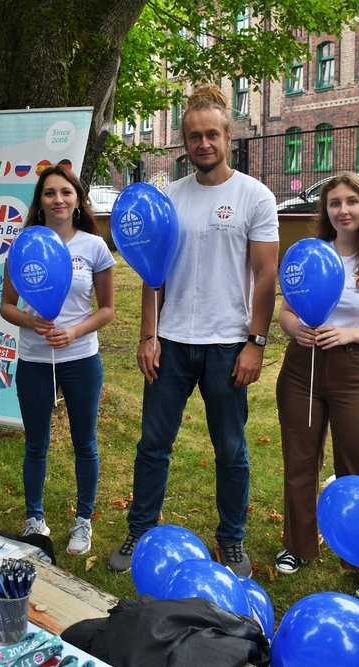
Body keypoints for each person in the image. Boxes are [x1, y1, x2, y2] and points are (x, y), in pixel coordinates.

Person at [108, 84, 279, 577]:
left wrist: (256, 342)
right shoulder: (168, 199)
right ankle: (140, 529)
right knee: (152, 445)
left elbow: (266, 276)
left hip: (229, 346)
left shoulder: (255, 196)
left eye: (212, 135)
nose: (203, 143)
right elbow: (151, 270)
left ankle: (231, 541)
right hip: (172, 344)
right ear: (183, 142)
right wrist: (147, 334)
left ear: (228, 136)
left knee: (231, 451)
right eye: (193, 136)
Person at [274, 172, 359, 575]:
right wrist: (293, 328)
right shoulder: (312, 255)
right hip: (303, 370)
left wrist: (348, 333)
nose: (343, 209)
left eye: (351, 201)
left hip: (358, 373)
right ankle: (297, 545)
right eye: (334, 202)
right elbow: (287, 309)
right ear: (325, 210)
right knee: (300, 462)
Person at [0, 165, 116, 555]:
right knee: (36, 444)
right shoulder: (23, 246)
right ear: (41, 202)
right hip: (34, 359)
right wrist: (32, 322)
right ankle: (35, 518)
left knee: (85, 444)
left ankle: (83, 521)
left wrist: (75, 331)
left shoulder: (93, 247)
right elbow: (6, 306)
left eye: (65, 192)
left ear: (78, 199)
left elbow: (108, 309)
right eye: (49, 193)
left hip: (81, 358)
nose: (58, 200)